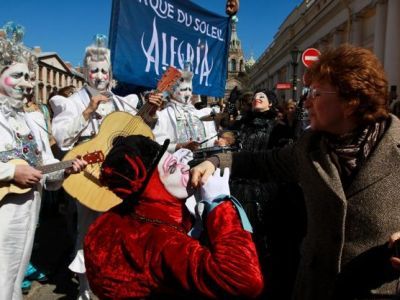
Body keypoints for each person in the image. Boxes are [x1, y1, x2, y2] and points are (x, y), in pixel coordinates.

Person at [191, 44, 400, 300]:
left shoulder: (396, 148)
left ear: (351, 101)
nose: (306, 101)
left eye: (316, 93)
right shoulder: (310, 147)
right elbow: (262, 163)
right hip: (315, 287)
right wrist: (215, 161)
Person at [50, 35, 163, 300]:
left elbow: (138, 132)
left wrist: (151, 114)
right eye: (95, 70)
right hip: (87, 176)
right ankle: (86, 291)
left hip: (119, 177)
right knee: (89, 234)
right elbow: (62, 138)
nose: (100, 75)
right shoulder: (72, 101)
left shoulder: (122, 101)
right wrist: (87, 110)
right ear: (85, 71)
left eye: (105, 70)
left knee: (119, 232)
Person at [83, 134, 263, 299]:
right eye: (172, 168)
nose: (185, 167)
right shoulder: (163, 240)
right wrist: (220, 205)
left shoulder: (109, 220)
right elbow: (244, 281)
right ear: (152, 185)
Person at [0, 22, 86, 300]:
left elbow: (46, 166)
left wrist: (66, 170)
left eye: (28, 77)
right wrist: (10, 172)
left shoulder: (34, 121)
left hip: (29, 209)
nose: (27, 84)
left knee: (13, 275)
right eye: (17, 76)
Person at [152, 65, 218, 152]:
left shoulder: (202, 114)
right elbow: (157, 145)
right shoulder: (163, 116)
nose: (187, 94)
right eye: (183, 90)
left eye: (189, 90)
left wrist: (216, 143)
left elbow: (210, 140)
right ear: (172, 91)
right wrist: (179, 146)